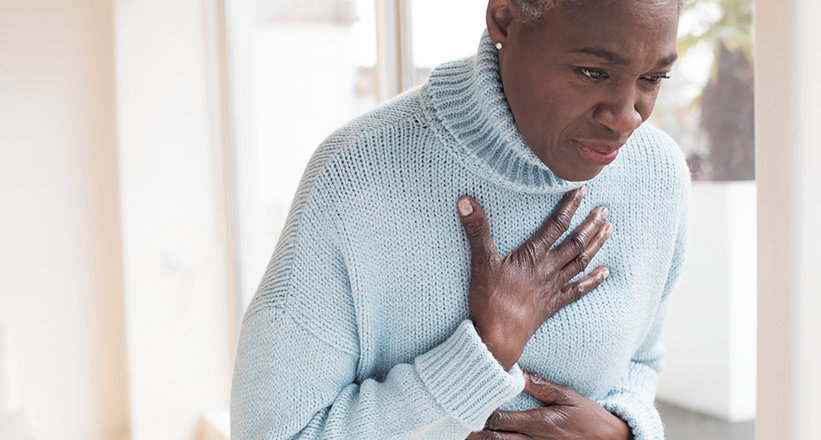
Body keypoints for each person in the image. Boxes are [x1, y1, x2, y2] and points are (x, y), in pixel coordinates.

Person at [231, 0, 690, 438]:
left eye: (653, 77)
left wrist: (623, 430)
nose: (627, 116)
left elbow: (639, 363)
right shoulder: (357, 174)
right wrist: (484, 355)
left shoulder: (657, 175)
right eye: (593, 72)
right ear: (504, 19)